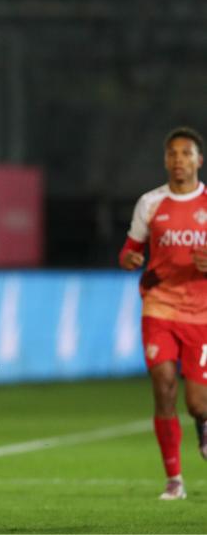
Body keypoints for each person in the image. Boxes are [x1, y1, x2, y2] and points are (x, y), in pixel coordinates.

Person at [119, 126, 207, 500]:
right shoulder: (150, 203)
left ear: (199, 160)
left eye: (186, 153)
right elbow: (128, 251)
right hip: (159, 306)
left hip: (202, 314)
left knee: (196, 402)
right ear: (165, 160)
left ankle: (203, 422)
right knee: (164, 385)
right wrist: (131, 259)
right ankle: (174, 480)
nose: (178, 161)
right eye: (172, 154)